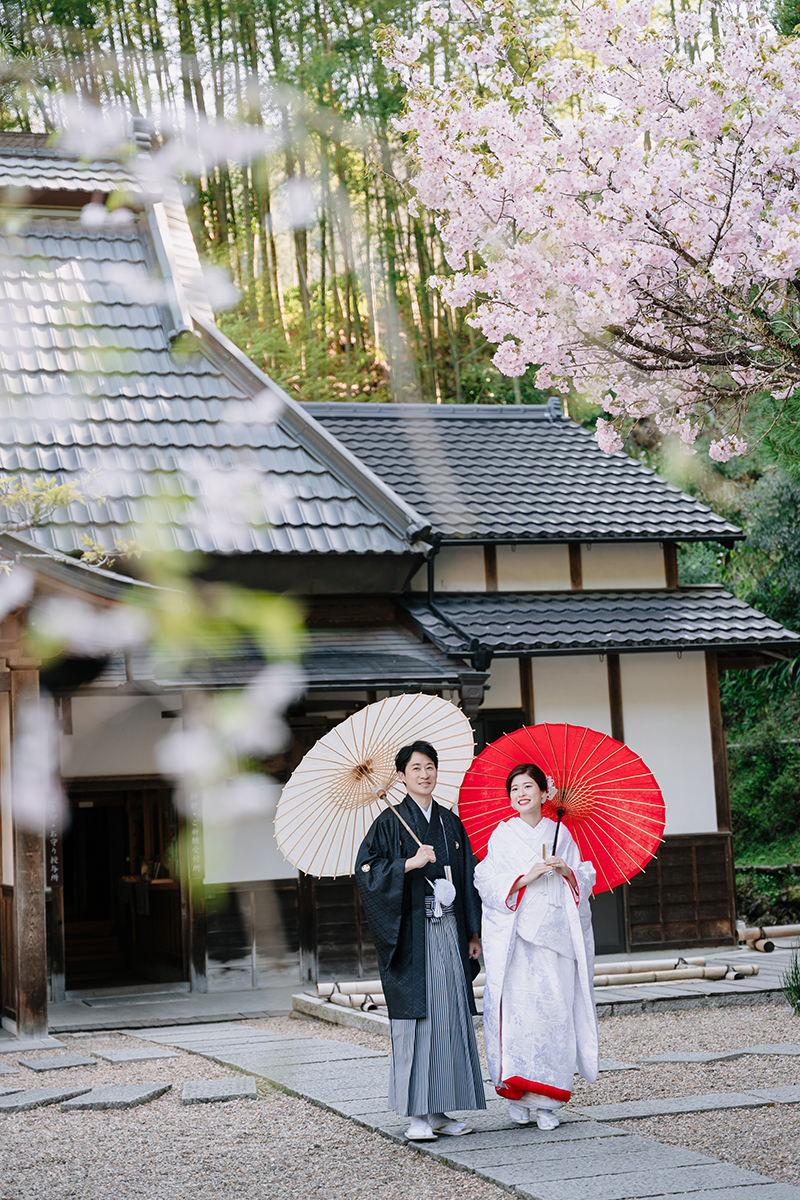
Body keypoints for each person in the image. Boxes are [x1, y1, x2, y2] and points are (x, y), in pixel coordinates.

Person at [355, 740, 487, 1142]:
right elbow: (366, 871)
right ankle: (416, 1113)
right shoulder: (389, 822)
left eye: (430, 766)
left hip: (449, 928)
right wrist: (407, 864)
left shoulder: (450, 822)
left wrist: (473, 931)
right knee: (418, 1019)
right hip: (412, 934)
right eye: (415, 768)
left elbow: (466, 878)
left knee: (448, 1015)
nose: (425, 774)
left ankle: (442, 1109)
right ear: (401, 776)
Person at [474, 762, 598, 1129]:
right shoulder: (502, 835)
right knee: (518, 1017)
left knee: (554, 1015)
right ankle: (517, 1096)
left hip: (554, 940)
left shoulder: (562, 834)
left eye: (529, 787)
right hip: (516, 942)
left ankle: (547, 1102)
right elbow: (485, 880)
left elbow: (585, 878)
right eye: (514, 788)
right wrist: (523, 877)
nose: (521, 793)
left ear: (545, 794)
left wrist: (567, 871)